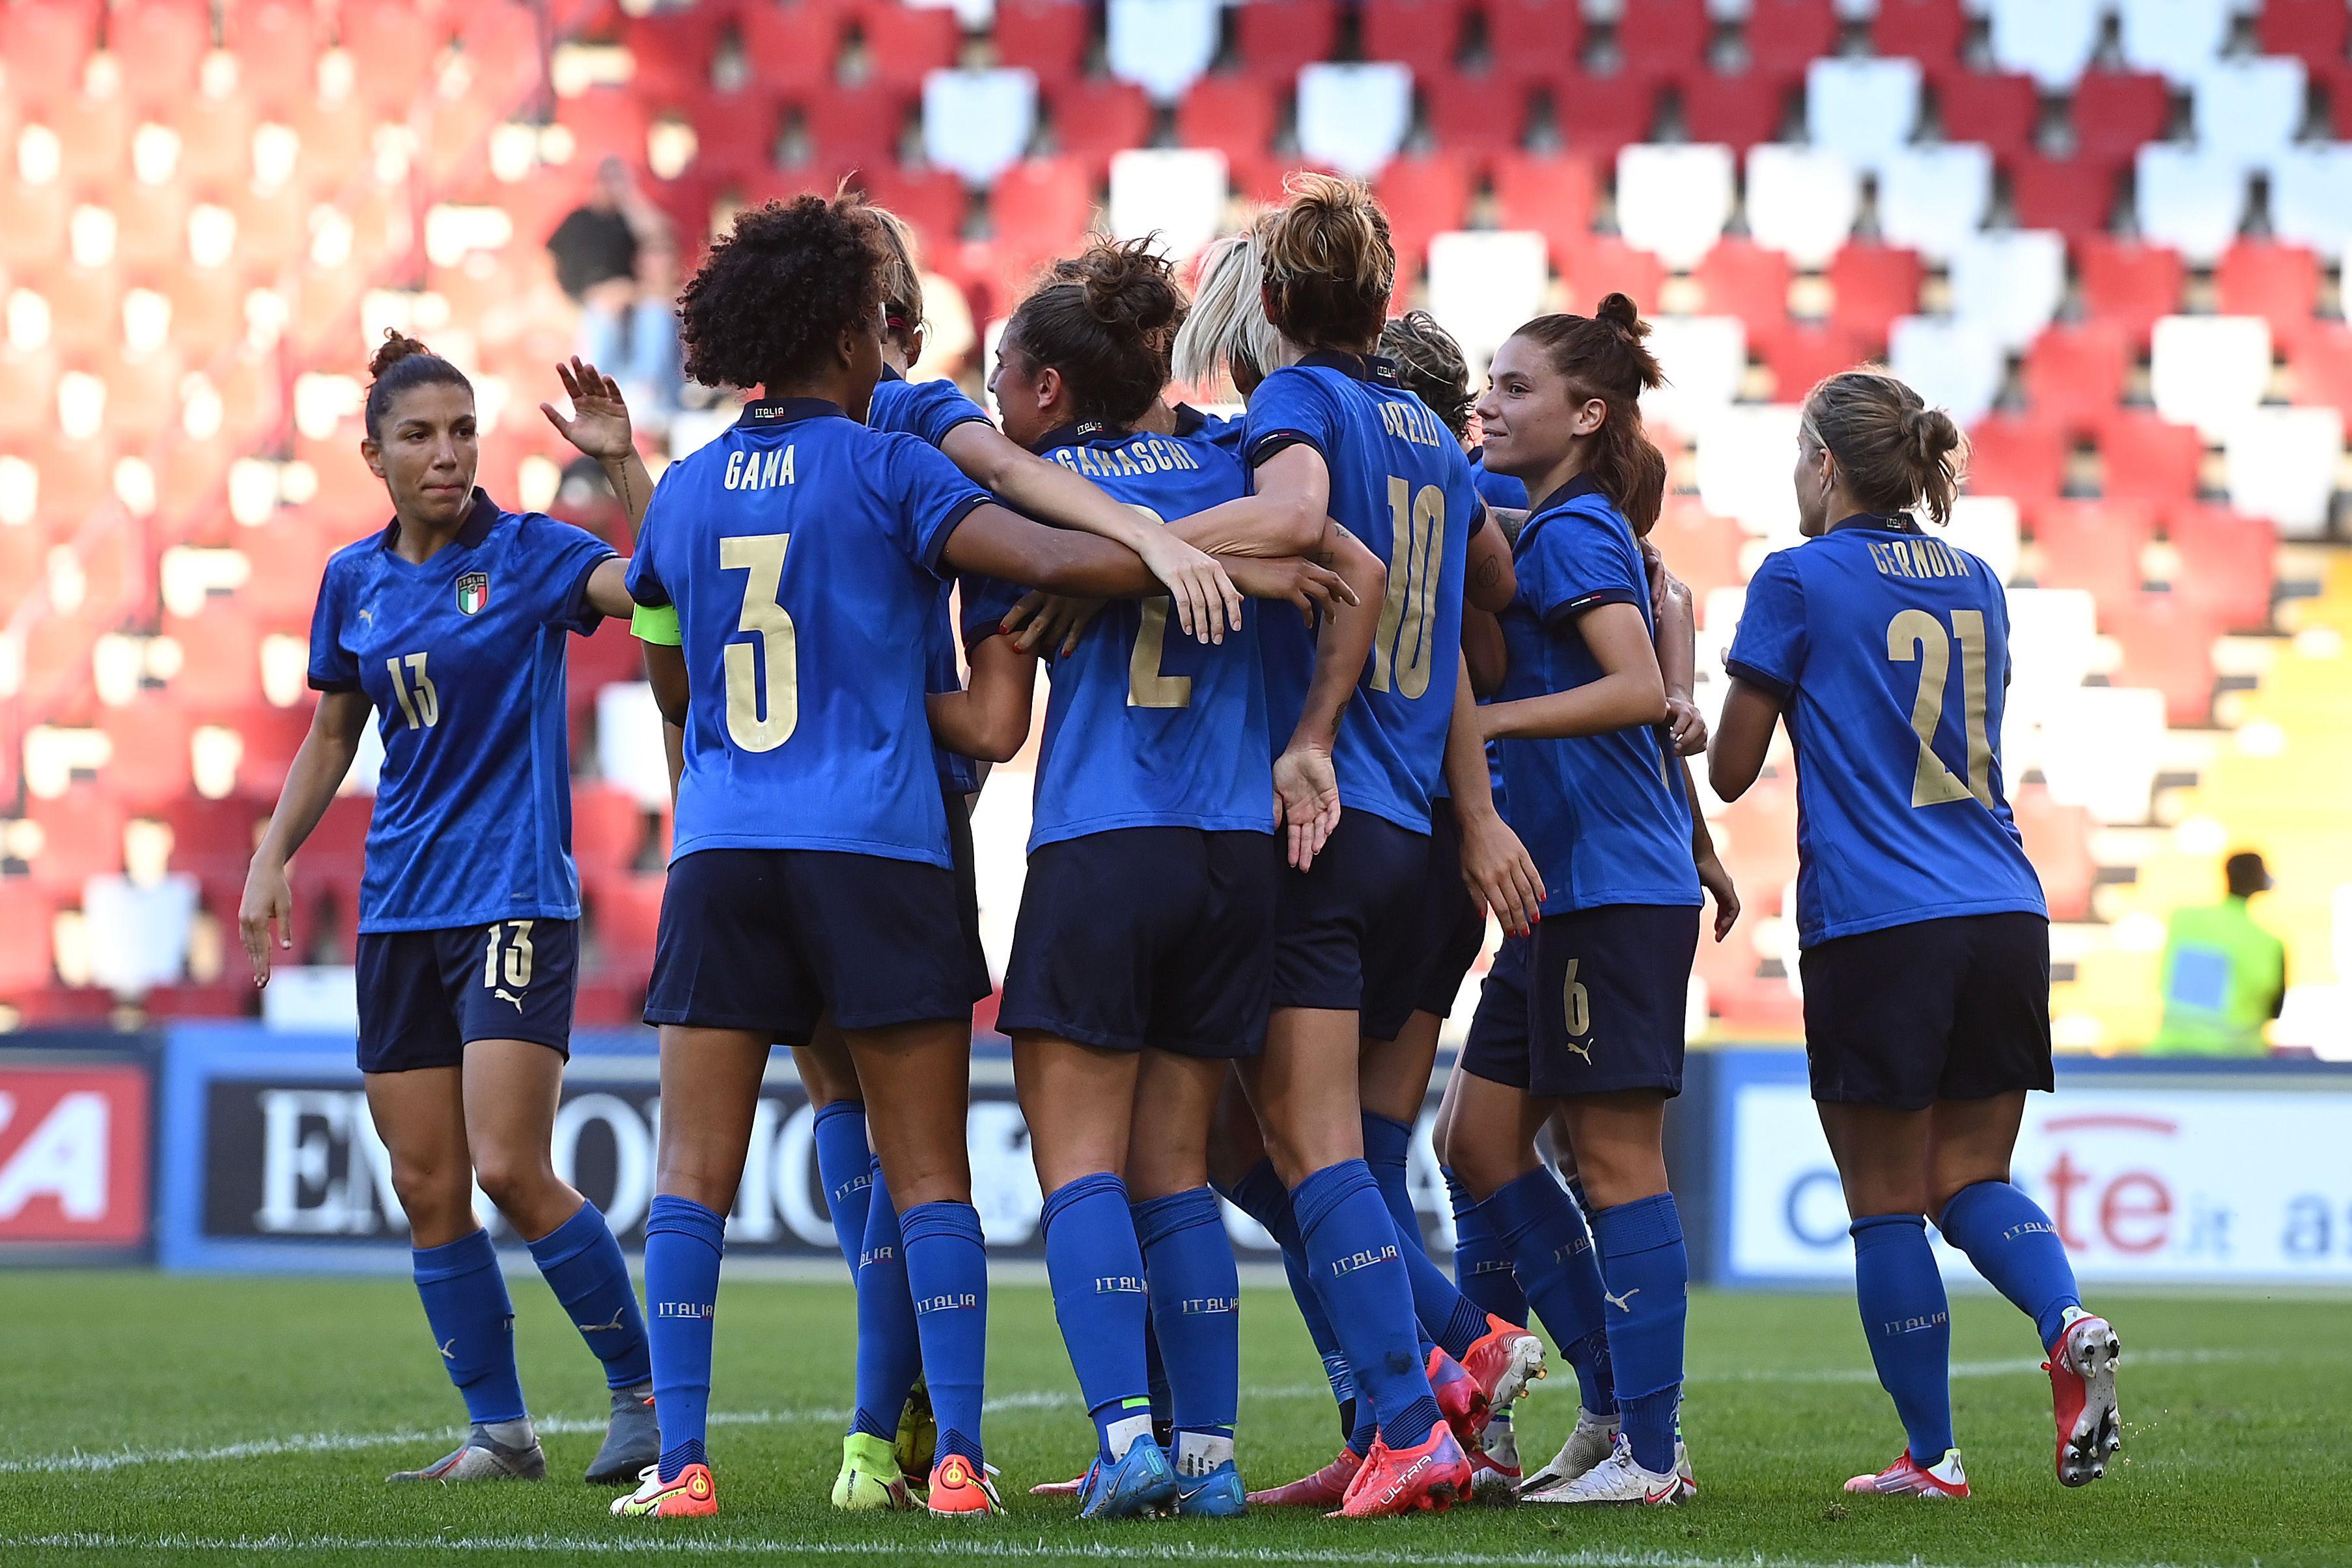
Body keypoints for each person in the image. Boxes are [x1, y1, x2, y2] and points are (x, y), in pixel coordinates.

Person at [608, 191, 1343, 1523]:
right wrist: (1182, 557)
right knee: (936, 1168)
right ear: (848, 334)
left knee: (689, 1176)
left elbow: (669, 683)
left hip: (726, 847)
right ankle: (956, 1460)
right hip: (885, 846)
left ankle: (686, 1465)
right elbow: (1041, 548)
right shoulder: (895, 465)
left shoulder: (686, 491)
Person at [948, 237, 1373, 1520]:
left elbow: (995, 724)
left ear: (1045, 389)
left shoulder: (1040, 503)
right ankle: (1212, 1457)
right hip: (1233, 852)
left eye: (999, 375)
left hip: (1099, 842)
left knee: (1081, 1162)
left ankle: (1127, 1439)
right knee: (1176, 1166)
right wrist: (1306, 732)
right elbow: (1340, 571)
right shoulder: (1238, 459)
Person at [238, 333, 656, 1489]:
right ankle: (502, 1432)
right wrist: (273, 854)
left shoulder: (527, 554)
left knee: (511, 1166)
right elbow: (334, 732)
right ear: (371, 453)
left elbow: (661, 579)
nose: (447, 453)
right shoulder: (351, 580)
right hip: (400, 908)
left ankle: (643, 1392)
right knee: (426, 1181)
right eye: (419, 435)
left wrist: (625, 467)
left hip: (514, 896)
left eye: (464, 430)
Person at [1709, 367, 2121, 1499]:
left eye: (1801, 455)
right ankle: (2064, 1313)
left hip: (1879, 918)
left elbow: (1732, 770)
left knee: (1885, 1200)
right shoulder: (1977, 578)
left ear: (1826, 462)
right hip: (2000, 906)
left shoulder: (1793, 578)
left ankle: (1933, 1456)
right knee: (1973, 1175)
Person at [1213, 175, 1534, 1519]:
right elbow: (1486, 601)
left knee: (1302, 1142)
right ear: (1383, 298)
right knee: (1331, 1150)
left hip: (1331, 823)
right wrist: (1475, 815)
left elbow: (1296, 524)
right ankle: (1397, 1414)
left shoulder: (1301, 406)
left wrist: (1118, 545)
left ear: (1273, 306)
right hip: (1420, 839)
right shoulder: (1432, 439)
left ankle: (1448, 1362)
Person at [1436, 298, 1734, 1507]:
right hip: (1565, 891)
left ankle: (1650, 1455)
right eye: (1488, 385)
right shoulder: (1560, 525)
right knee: (1476, 1140)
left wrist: (1488, 723)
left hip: (1607, 891)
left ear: (1585, 414)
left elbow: (1631, 687)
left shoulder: (1575, 534)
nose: (1489, 405)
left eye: (1513, 388)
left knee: (1613, 1160)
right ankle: (1610, 1410)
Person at [546, 157, 680, 426]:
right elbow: (548, 264)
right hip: (590, 307)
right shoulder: (578, 221)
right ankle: (587, 392)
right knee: (601, 314)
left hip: (636, 304)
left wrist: (629, 197)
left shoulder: (629, 222)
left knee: (654, 313)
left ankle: (645, 391)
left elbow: (660, 237)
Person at [2149, 850, 2286, 1056]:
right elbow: (2275, 1010)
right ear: (2262, 880)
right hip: (2236, 1063)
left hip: (2172, 1055)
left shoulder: (2184, 919)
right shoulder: (2268, 944)